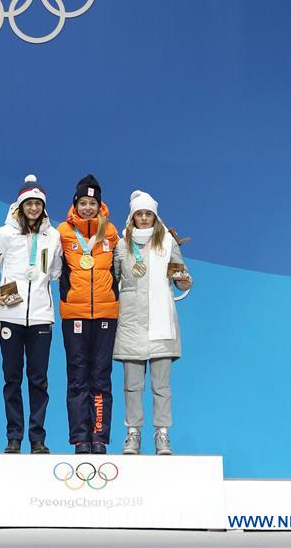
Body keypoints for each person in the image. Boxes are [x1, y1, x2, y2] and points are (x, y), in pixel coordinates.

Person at [0, 174, 62, 454]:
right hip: (9, 316)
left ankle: (37, 438)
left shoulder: (53, 236)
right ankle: (14, 437)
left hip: (41, 317)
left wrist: (43, 279)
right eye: (29, 203)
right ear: (19, 205)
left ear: (43, 207)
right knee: (12, 378)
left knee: (39, 380)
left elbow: (55, 271)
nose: (34, 208)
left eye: (38, 204)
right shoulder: (1, 235)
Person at [113, 190, 193, 456]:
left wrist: (184, 279)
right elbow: (112, 280)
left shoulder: (168, 242)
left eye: (148, 214)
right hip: (131, 323)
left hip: (161, 322)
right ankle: (132, 434)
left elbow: (181, 274)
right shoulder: (122, 244)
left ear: (155, 217)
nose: (144, 218)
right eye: (140, 214)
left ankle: (162, 435)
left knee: (161, 386)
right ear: (132, 216)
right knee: (132, 385)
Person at [58, 174, 119, 454]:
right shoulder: (63, 233)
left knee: (101, 375)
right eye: (83, 203)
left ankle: (99, 435)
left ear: (99, 205)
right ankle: (81, 437)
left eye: (92, 203)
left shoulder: (111, 233)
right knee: (78, 376)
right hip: (75, 315)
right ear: (75, 203)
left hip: (106, 314)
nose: (87, 208)